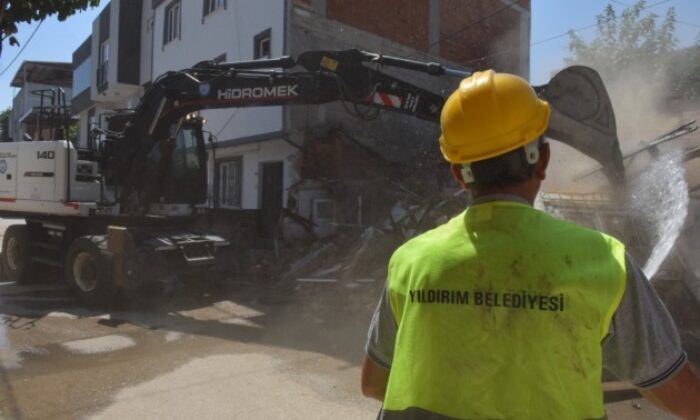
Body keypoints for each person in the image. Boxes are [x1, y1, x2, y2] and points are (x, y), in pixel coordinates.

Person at [361, 70, 700, 419]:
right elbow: (675, 390)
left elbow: (373, 384)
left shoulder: (409, 261)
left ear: (458, 174)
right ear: (543, 161)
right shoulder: (603, 259)